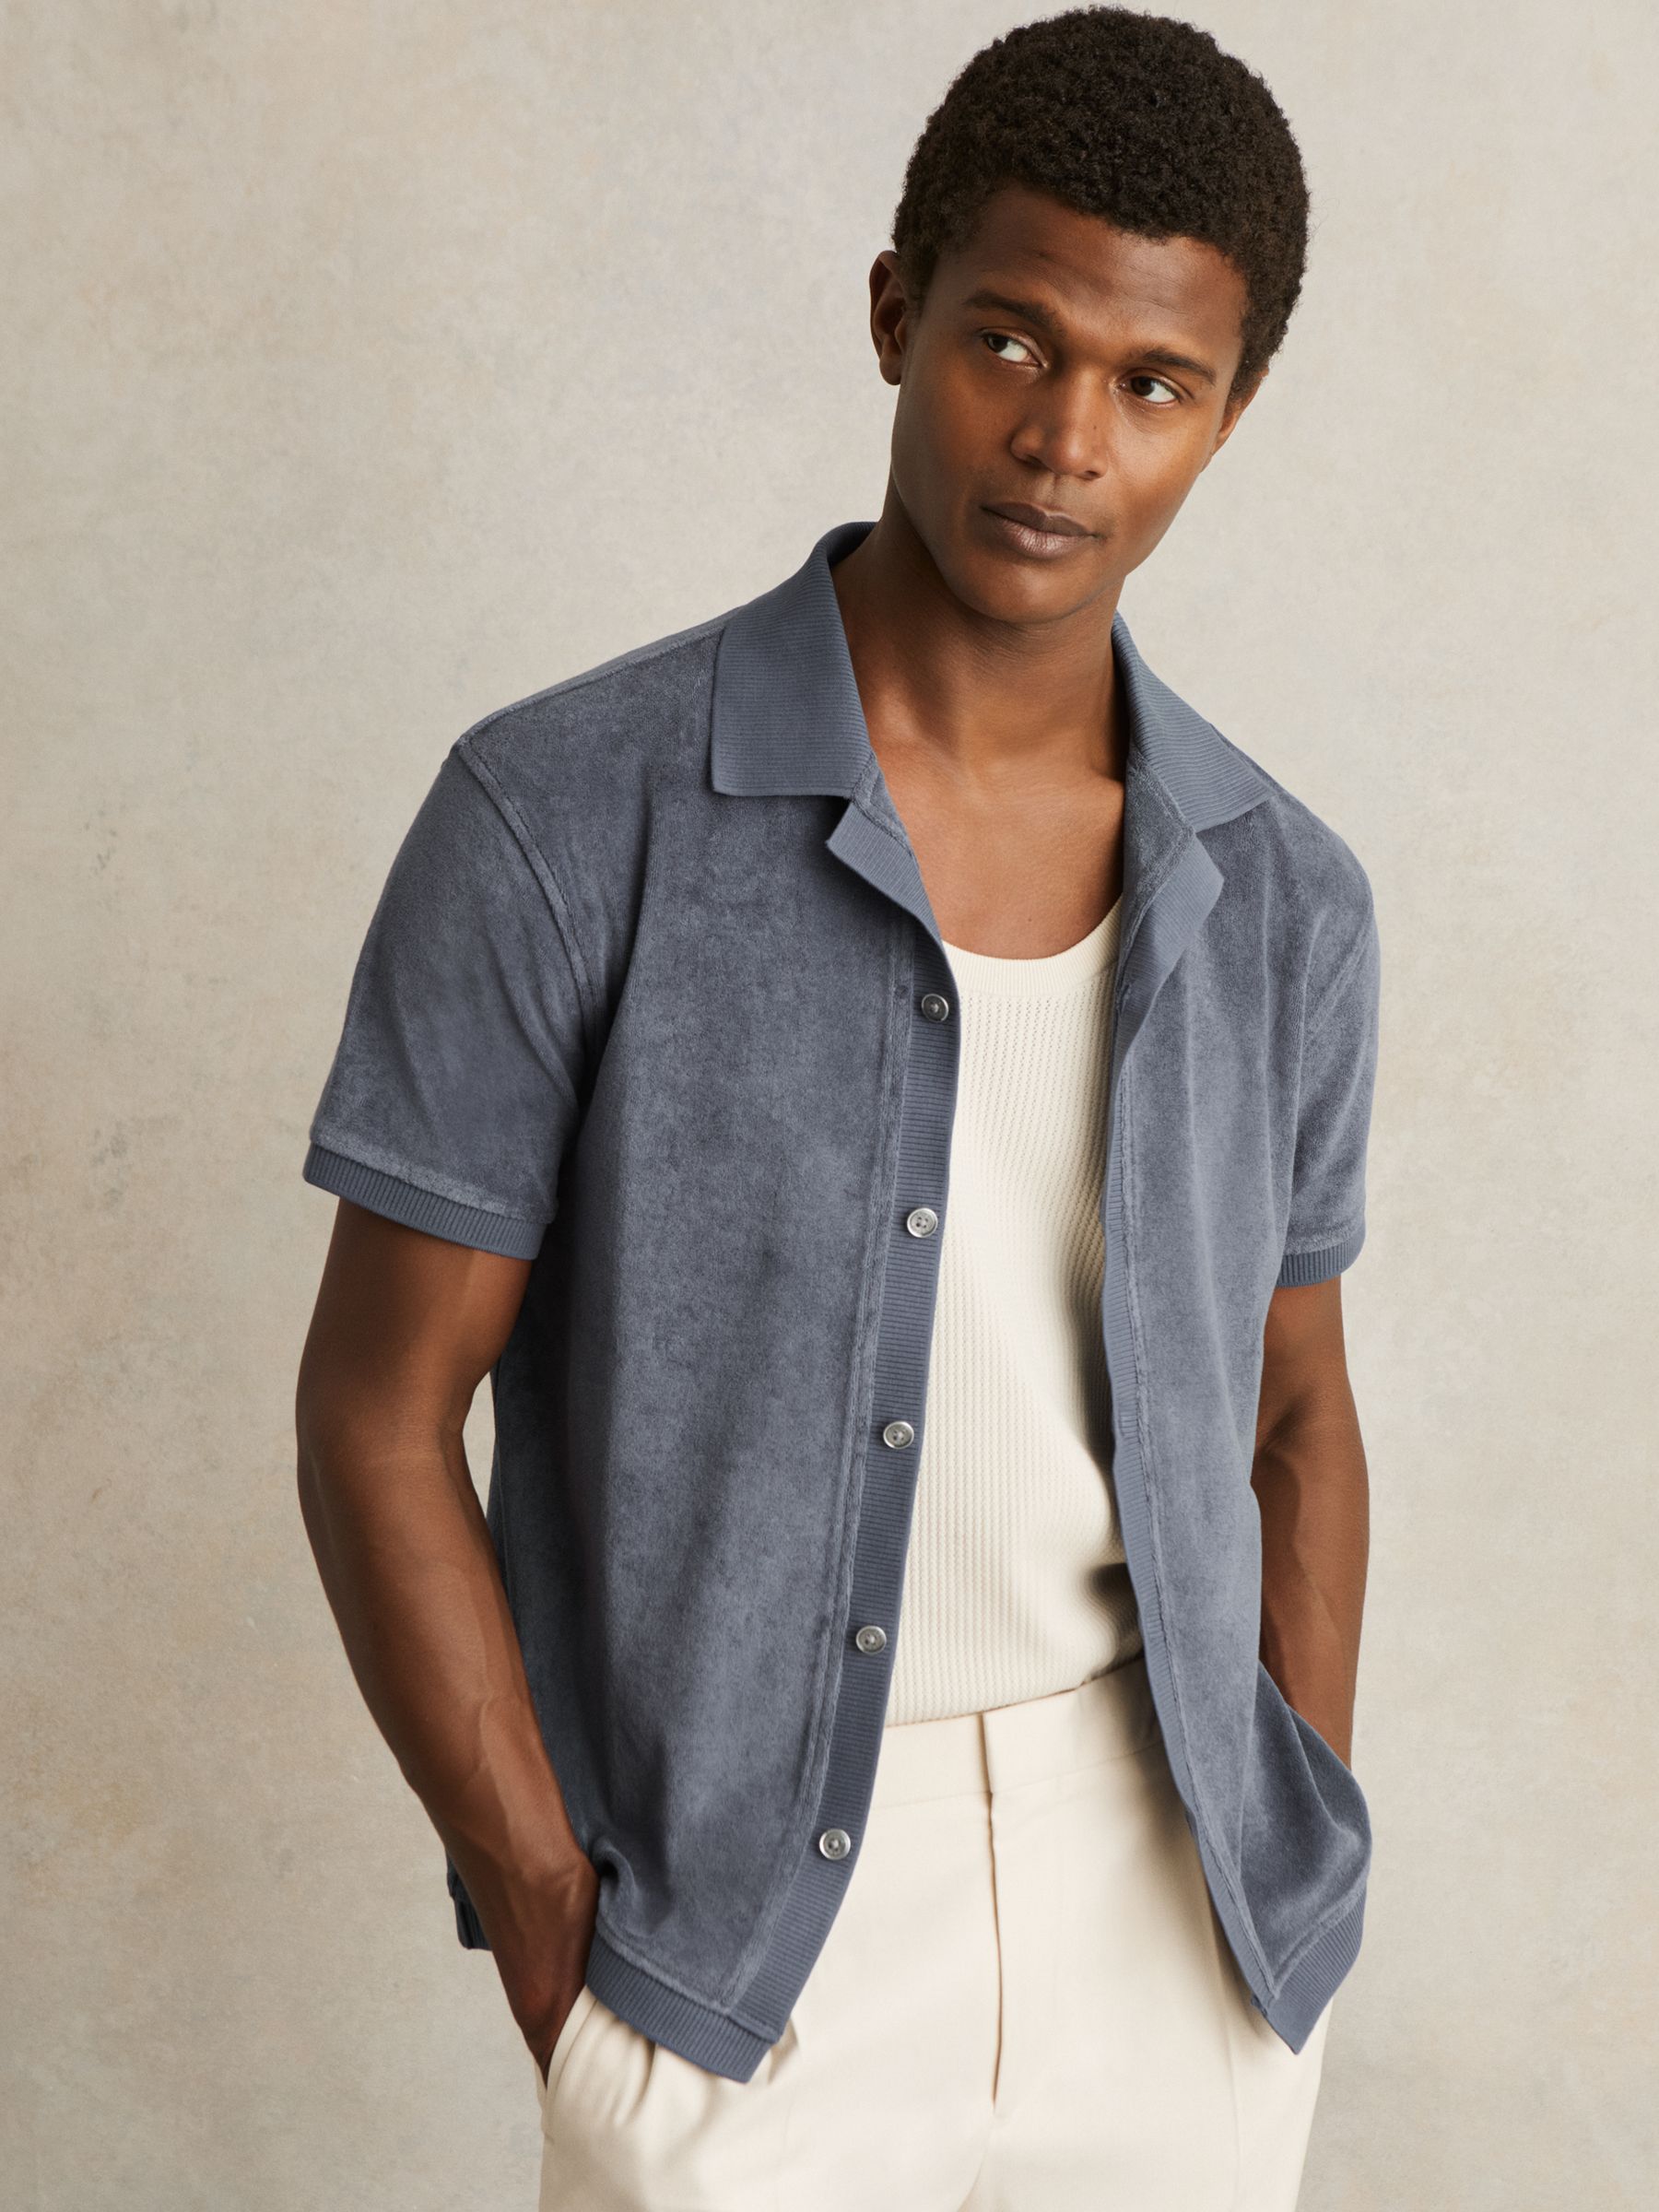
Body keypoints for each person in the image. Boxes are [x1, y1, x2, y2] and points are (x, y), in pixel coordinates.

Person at [294, 8, 1382, 2206]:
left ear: (1229, 414)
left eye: (1154, 384)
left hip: (1166, 1920)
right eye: (1013, 341)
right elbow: (378, 1413)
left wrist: (1280, 1862)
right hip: (739, 1957)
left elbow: (1295, 1413)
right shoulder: (563, 813)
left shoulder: (1281, 896)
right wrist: (550, 1923)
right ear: (898, 313)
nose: (1065, 440)